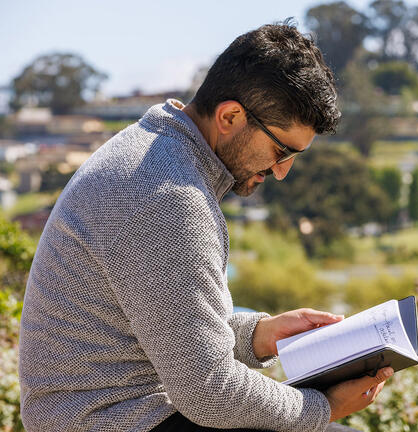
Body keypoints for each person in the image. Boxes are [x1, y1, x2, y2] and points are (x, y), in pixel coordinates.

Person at [18, 21, 393, 432]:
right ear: (230, 116)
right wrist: (323, 408)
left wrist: (259, 336)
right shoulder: (170, 195)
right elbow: (210, 391)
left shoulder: (157, 154)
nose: (282, 171)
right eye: (281, 150)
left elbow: (168, 325)